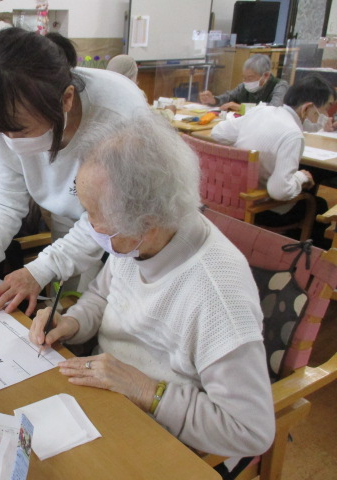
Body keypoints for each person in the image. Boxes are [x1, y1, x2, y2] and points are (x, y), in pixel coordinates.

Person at [29, 114, 275, 469]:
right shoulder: (137, 242)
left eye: (93, 214)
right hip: (108, 396)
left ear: (144, 223)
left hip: (165, 431)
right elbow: (102, 297)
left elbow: (250, 431)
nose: (88, 225)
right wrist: (70, 323)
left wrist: (146, 390)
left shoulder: (217, 295)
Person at [0, 27, 148, 316]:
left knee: (103, 310)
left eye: (20, 130)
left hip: (129, 228)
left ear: (66, 99)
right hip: (68, 215)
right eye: (1, 130)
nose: (10, 141)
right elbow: (5, 201)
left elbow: (111, 220)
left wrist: (41, 269)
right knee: (64, 308)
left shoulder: (119, 116)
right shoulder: (2, 115)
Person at [211, 74, 335, 248]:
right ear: (307, 108)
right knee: (318, 204)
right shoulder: (293, 135)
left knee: (306, 191)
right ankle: (298, 260)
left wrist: (249, 147)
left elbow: (218, 133)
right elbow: (279, 192)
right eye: (325, 109)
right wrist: (301, 177)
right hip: (260, 207)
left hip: (229, 197)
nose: (326, 116)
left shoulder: (262, 111)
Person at [199, 54, 288, 111]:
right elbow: (229, 97)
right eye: (244, 78)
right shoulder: (244, 86)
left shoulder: (280, 86)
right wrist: (214, 100)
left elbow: (274, 109)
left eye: (250, 78)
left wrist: (241, 107)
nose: (246, 81)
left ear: (266, 76)